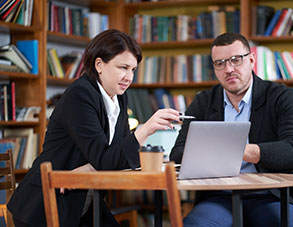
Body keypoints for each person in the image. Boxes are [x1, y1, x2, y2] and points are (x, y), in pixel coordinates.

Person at [8, 29, 181, 227]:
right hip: (45, 207)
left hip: (84, 202)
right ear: (99, 64)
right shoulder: (80, 94)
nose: (129, 77)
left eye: (133, 69)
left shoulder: (119, 96)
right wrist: (146, 129)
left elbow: (116, 157)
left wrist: (87, 169)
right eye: (123, 67)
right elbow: (108, 158)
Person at [170, 32, 293, 227]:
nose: (229, 69)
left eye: (235, 60)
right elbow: (178, 153)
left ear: (251, 60)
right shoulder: (203, 102)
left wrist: (237, 150)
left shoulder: (283, 97)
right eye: (220, 63)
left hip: (271, 194)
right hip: (220, 197)